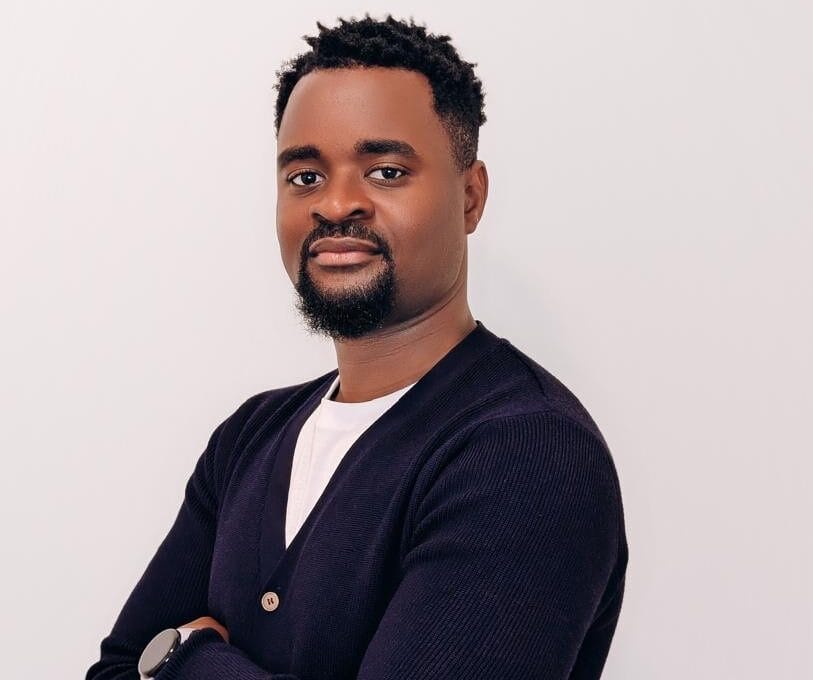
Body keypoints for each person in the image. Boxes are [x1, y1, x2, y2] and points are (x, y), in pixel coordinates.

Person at [86, 14, 628, 680]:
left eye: (386, 171)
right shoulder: (248, 439)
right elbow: (116, 668)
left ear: (470, 197)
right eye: (305, 177)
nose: (337, 203)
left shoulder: (528, 452)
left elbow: (148, 662)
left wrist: (187, 658)